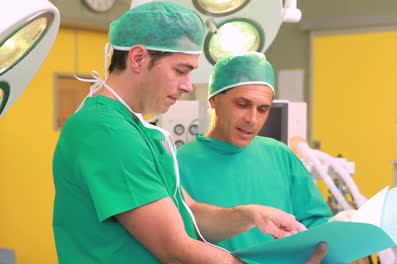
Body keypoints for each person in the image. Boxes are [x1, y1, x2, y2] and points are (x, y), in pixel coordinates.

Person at [52, 2, 327, 263]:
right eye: (180, 71)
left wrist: (250, 215)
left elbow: (189, 213)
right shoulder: (108, 132)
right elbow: (176, 251)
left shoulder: (138, 132)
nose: (187, 86)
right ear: (138, 58)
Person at [177, 52, 333, 251]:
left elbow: (315, 223)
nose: (252, 119)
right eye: (242, 105)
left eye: (263, 109)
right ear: (214, 99)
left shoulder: (279, 155)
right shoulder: (177, 163)